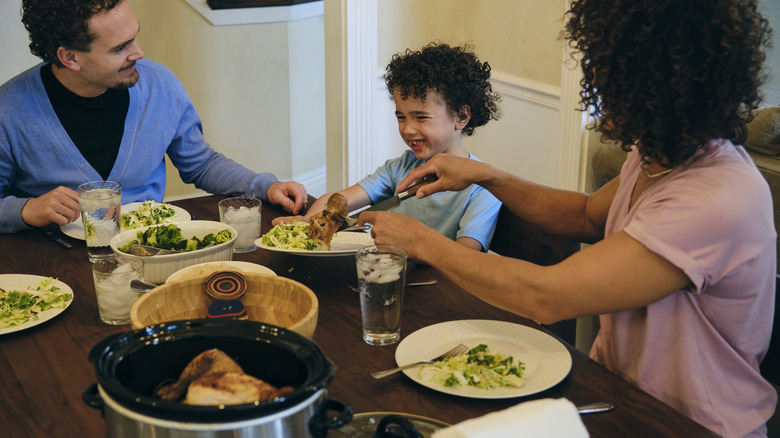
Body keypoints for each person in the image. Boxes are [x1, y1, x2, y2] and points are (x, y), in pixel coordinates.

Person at [360, 1, 777, 436]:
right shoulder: (657, 154)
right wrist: (485, 175)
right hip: (616, 395)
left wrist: (423, 242)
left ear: (663, 80)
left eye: (607, 68)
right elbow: (585, 214)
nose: (592, 82)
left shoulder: (716, 198)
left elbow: (545, 295)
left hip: (687, 424)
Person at [0, 0, 307, 234]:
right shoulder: (9, 109)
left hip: (151, 246)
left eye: (134, 37)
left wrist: (265, 186)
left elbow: (202, 164)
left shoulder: (160, 84)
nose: (139, 53)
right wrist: (26, 210)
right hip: (54, 262)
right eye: (120, 48)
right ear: (70, 57)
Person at [274, 42, 502, 252]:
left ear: (461, 117)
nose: (408, 129)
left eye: (421, 117)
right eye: (401, 117)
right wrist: (306, 223)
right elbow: (339, 199)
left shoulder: (482, 189)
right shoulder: (402, 167)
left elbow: (465, 257)